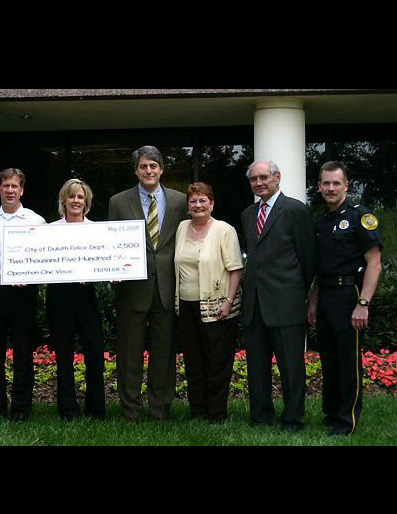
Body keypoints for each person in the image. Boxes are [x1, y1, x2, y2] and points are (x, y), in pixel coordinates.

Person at [108, 145, 187, 422]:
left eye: (153, 166)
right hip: (132, 289)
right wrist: (113, 269)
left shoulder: (180, 200)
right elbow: (112, 242)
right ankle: (131, 410)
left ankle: (160, 409)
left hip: (166, 288)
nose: (148, 171)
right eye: (143, 166)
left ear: (161, 169)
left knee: (163, 354)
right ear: (136, 170)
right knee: (129, 354)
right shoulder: (119, 202)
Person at [307, 161, 382, 436]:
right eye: (326, 183)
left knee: (348, 359)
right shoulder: (321, 221)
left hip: (349, 294)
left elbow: (374, 263)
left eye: (336, 183)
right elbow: (321, 268)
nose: (331, 188)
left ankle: (347, 419)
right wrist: (313, 300)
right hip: (326, 294)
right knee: (329, 358)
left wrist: (363, 304)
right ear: (319, 186)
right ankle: (332, 412)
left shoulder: (361, 216)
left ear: (346, 186)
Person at [241, 159, 316, 432]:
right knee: (256, 366)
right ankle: (261, 416)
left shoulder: (296, 210)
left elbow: (308, 259)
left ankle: (293, 418)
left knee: (291, 367)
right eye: (254, 179)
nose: (259, 183)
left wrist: (295, 292)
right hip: (254, 304)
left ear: (277, 177)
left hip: (286, 303)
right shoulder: (248, 214)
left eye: (264, 177)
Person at [0, 168, 46, 423]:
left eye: (14, 186)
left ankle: (21, 410)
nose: (10, 190)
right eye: (5, 186)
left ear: (22, 190)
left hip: (23, 293)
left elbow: (42, 260)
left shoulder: (36, 221)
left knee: (23, 352)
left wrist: (29, 276)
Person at [174, 182, 243, 423]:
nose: (198, 205)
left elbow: (235, 269)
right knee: (193, 361)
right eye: (193, 201)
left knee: (217, 362)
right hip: (186, 306)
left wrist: (229, 301)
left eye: (203, 200)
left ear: (212, 204)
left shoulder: (224, 230)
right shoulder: (182, 227)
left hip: (217, 306)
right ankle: (198, 411)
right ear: (188, 206)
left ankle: (217, 414)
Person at [45, 178, 106, 420]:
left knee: (95, 351)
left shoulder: (97, 231)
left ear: (86, 201)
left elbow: (106, 260)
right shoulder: (49, 230)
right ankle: (68, 410)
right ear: (64, 200)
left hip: (85, 295)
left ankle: (96, 409)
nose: (76, 201)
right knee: (63, 353)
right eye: (71, 196)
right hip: (59, 295)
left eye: (80, 197)